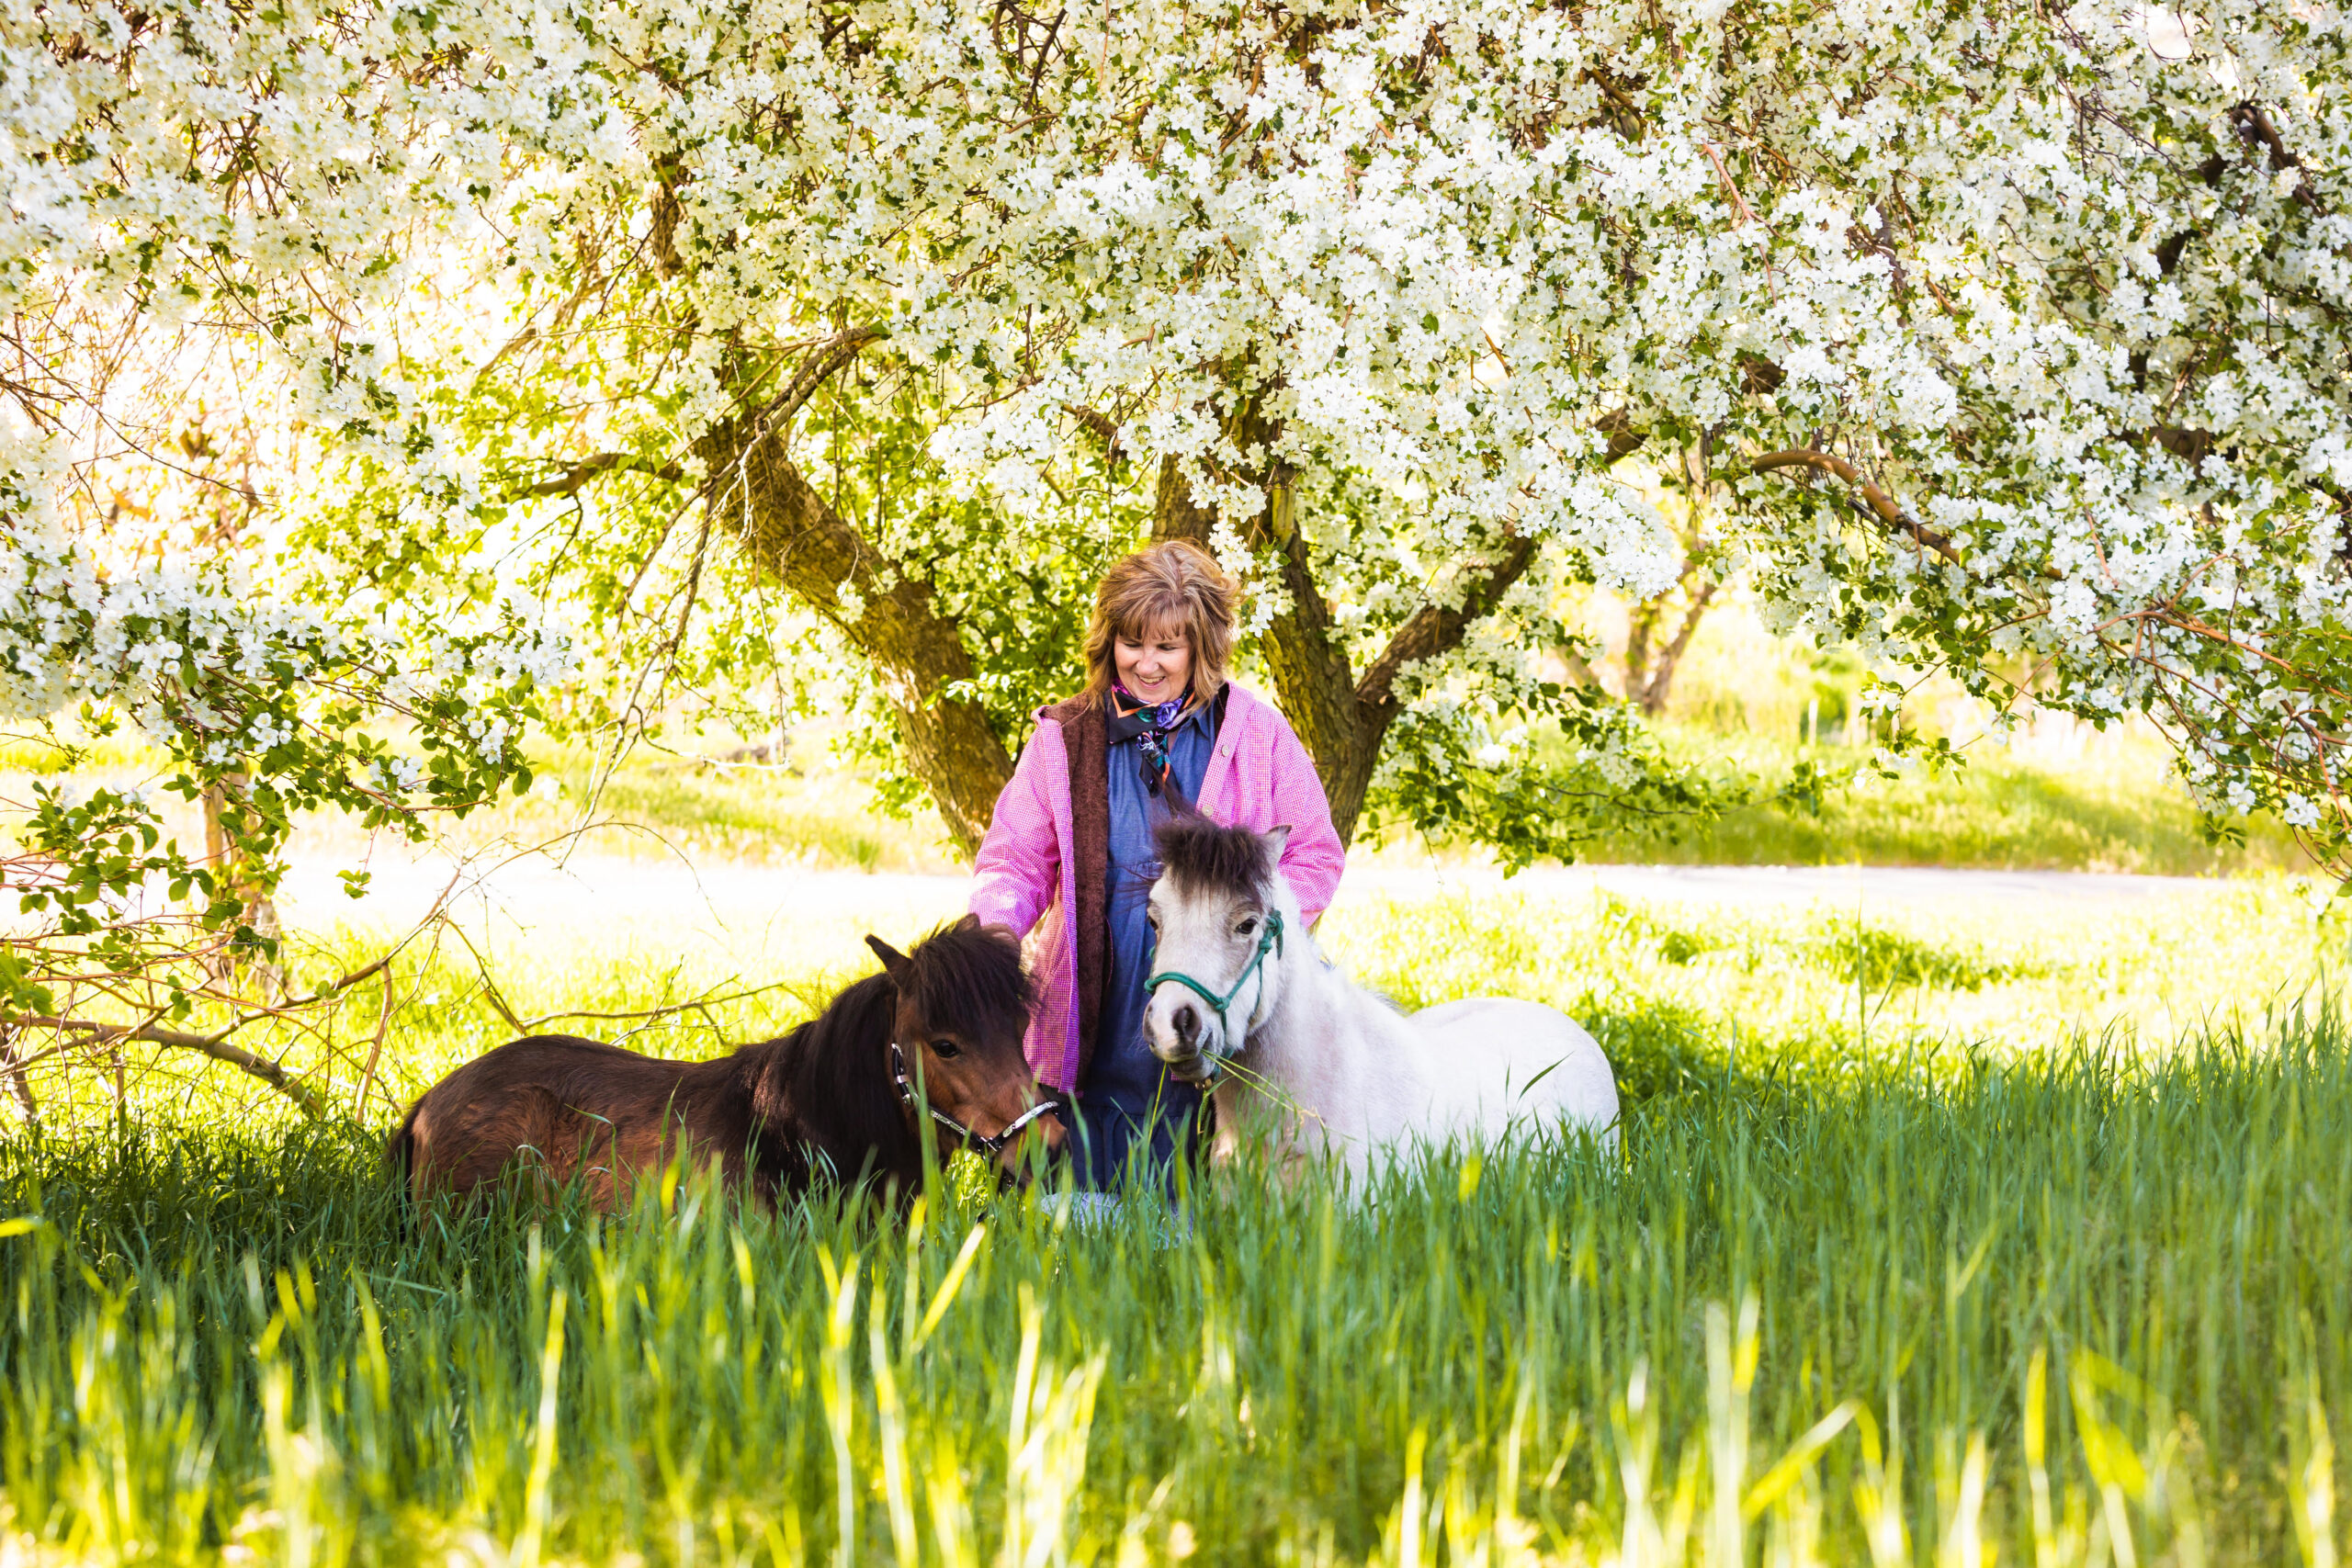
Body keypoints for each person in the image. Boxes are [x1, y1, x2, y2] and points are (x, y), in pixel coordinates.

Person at [968, 539, 1346, 1188]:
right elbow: (1014, 857)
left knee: (1200, 1163)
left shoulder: (1256, 733)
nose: (1145, 663)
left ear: (1203, 648)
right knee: (1083, 1175)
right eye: (1131, 642)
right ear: (1107, 640)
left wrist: (1259, 931)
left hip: (1211, 982)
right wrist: (998, 931)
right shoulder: (1064, 737)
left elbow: (1314, 852)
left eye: (1167, 647)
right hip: (1098, 987)